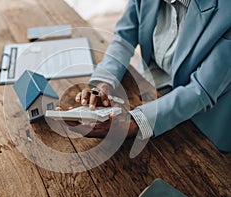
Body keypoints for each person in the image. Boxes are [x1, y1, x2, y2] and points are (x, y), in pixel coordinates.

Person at [65, 0, 231, 152]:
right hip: (149, 92)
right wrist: (104, 83)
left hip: (202, 123)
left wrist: (136, 122)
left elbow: (201, 90)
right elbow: (123, 39)